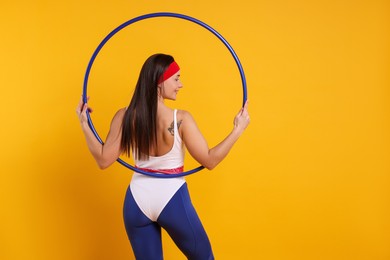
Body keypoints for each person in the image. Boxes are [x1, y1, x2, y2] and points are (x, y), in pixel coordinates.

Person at [76, 53, 250, 260]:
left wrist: (84, 125)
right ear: (159, 82)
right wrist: (238, 130)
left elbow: (104, 160)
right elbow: (210, 160)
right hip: (171, 197)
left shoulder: (125, 116)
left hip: (137, 200)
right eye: (176, 78)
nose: (181, 84)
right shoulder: (181, 119)